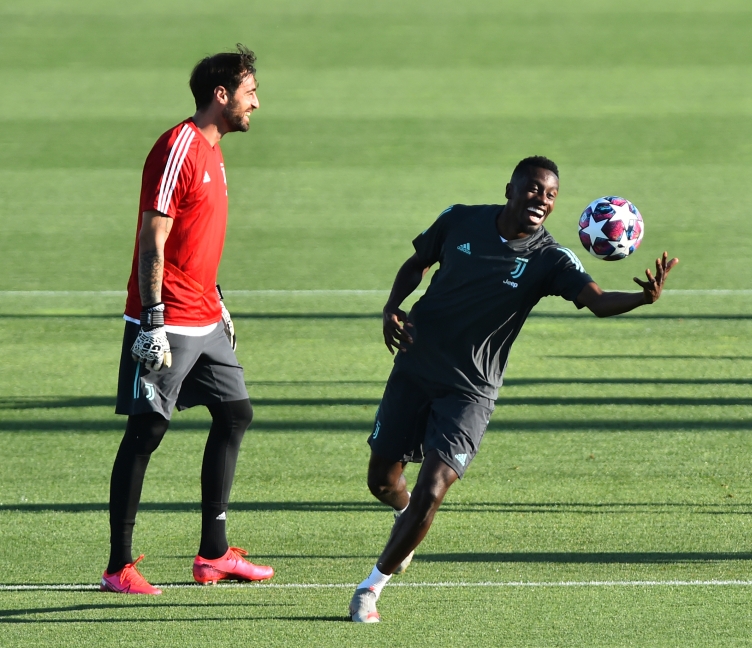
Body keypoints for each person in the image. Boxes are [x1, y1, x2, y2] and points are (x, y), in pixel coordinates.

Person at [348, 156, 678, 622]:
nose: (541, 200)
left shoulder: (549, 259)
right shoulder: (459, 218)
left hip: (470, 390)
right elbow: (418, 262)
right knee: (382, 481)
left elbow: (598, 301)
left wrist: (644, 298)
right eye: (533, 189)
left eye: (550, 195)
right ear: (510, 188)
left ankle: (370, 588)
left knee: (434, 485)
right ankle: (404, 516)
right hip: (415, 366)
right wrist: (391, 306)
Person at [101, 45, 273, 595]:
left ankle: (214, 554)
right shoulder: (179, 147)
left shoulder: (214, 150)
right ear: (220, 96)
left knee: (235, 413)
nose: (257, 103)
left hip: (204, 316)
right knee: (146, 431)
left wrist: (217, 298)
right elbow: (154, 237)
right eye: (249, 93)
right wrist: (152, 319)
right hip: (168, 319)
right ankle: (117, 566)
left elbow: (195, 241)